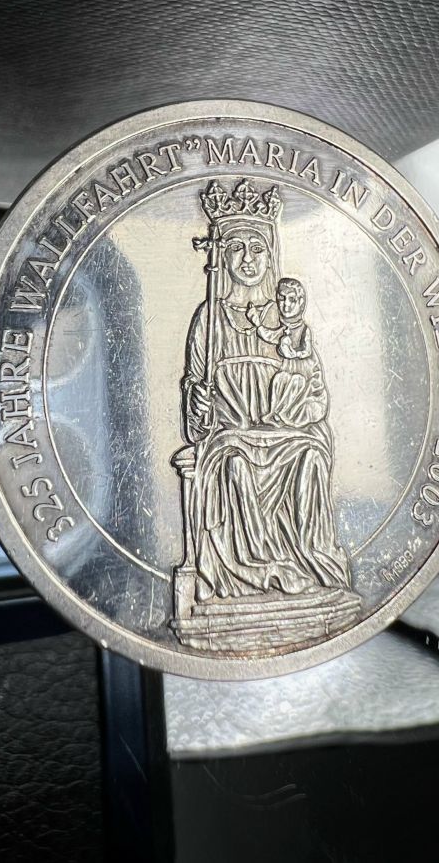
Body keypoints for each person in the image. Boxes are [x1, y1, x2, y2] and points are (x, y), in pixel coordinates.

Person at [180, 179, 350, 602]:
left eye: (257, 249)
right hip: (232, 436)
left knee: (311, 456)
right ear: (222, 257)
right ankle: (257, 569)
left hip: (285, 434)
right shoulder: (209, 319)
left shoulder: (289, 321)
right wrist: (198, 402)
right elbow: (194, 387)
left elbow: (315, 389)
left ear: (270, 256)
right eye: (237, 248)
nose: (248, 259)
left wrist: (299, 416)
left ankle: (310, 561)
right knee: (236, 465)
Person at [246, 277, 327, 428]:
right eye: (282, 299)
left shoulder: (303, 329)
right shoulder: (285, 329)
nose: (286, 305)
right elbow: (269, 335)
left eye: (292, 300)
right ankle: (273, 413)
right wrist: (257, 322)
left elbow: (307, 350)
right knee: (280, 378)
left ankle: (284, 415)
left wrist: (294, 353)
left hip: (306, 376)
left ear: (301, 302)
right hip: (290, 371)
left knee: (296, 381)